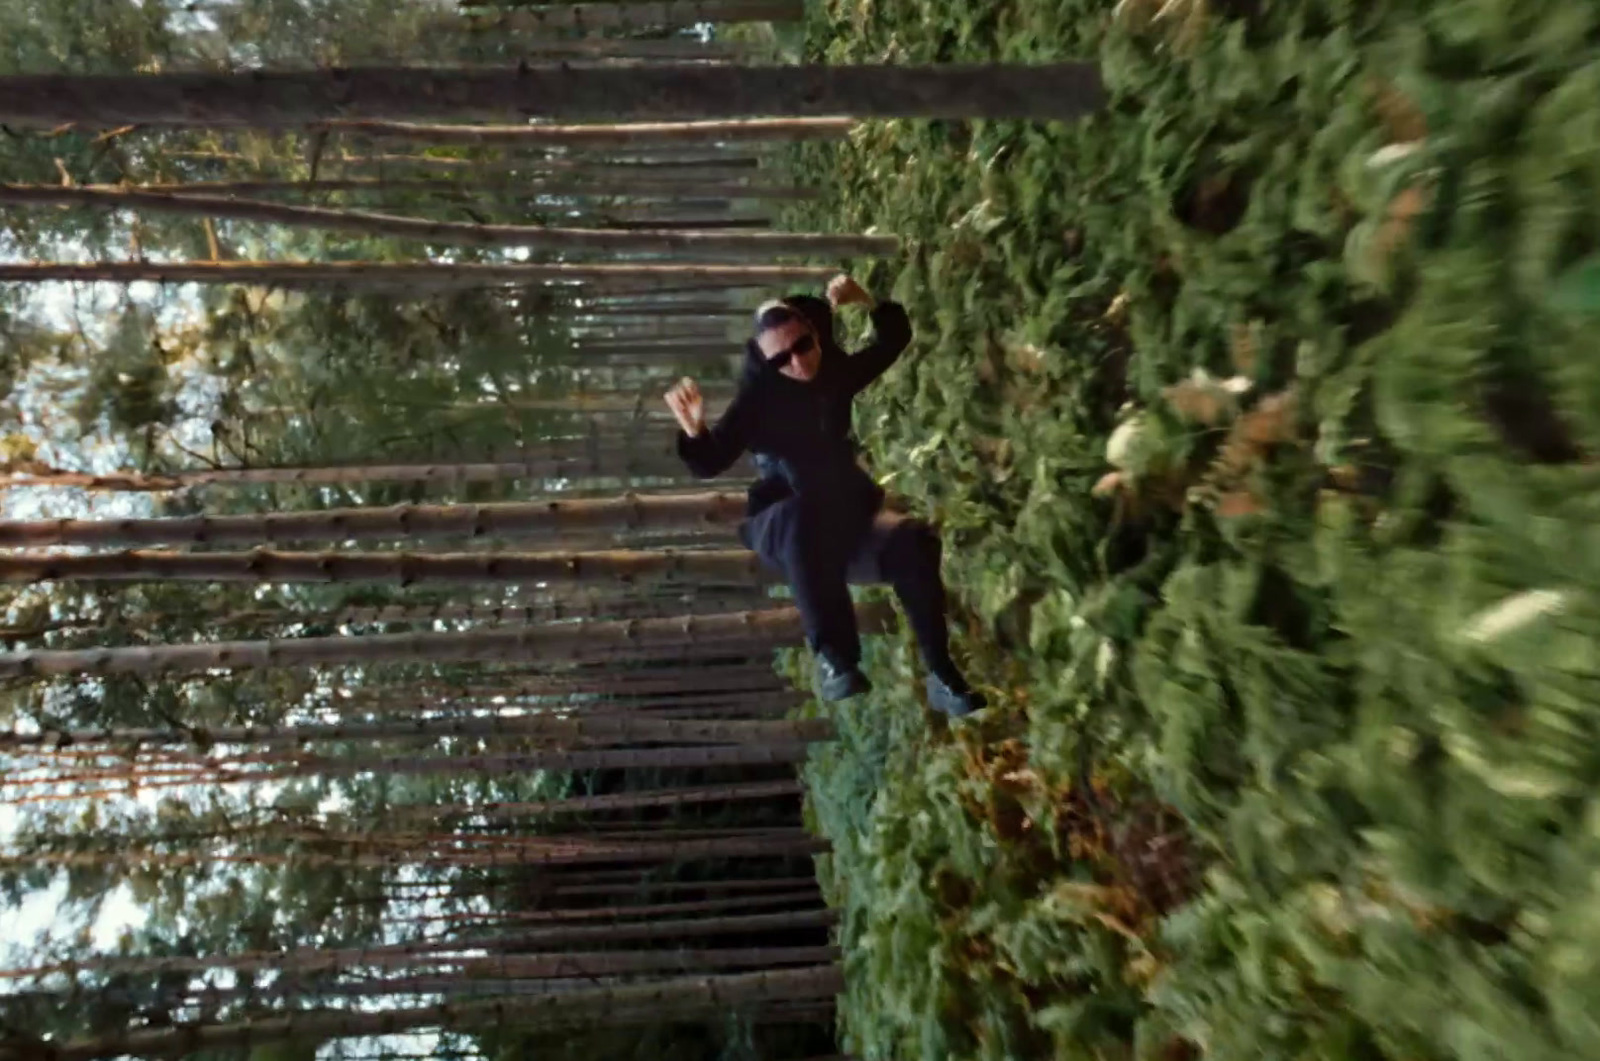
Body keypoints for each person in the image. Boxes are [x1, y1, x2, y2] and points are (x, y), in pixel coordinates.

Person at [663, 274, 985, 717]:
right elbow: (709, 461)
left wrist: (866, 301)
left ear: (815, 334)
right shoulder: (756, 401)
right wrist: (694, 427)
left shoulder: (833, 370)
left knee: (915, 543)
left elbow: (892, 341)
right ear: (765, 362)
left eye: (803, 347)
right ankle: (835, 660)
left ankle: (943, 676)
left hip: (841, 512)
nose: (798, 364)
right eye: (782, 360)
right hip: (781, 522)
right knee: (800, 514)